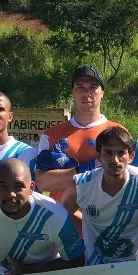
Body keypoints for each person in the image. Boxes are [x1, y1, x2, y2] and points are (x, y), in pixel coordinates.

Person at [63, 125, 138, 264]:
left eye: (121, 153)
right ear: (99, 156)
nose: (115, 160)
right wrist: (87, 229)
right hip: (96, 266)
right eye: (108, 152)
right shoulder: (81, 185)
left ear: (131, 156)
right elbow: (64, 215)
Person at [35, 65, 122, 204]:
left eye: (93, 87)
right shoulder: (51, 135)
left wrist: (64, 174)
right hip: (62, 218)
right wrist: (90, 168)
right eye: (80, 87)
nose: (86, 93)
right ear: (73, 92)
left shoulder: (117, 132)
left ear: (102, 92)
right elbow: (42, 182)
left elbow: (123, 179)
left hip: (104, 217)